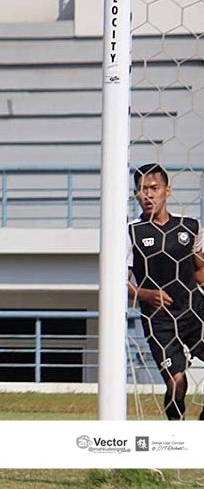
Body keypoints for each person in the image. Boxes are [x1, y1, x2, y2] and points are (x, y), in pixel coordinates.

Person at [127, 163, 204, 420]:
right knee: (177, 382)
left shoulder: (190, 227)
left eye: (153, 188)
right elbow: (118, 283)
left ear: (167, 191)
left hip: (195, 311)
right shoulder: (131, 233)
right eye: (140, 189)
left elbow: (200, 272)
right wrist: (146, 295)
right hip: (159, 320)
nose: (146, 195)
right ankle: (174, 432)